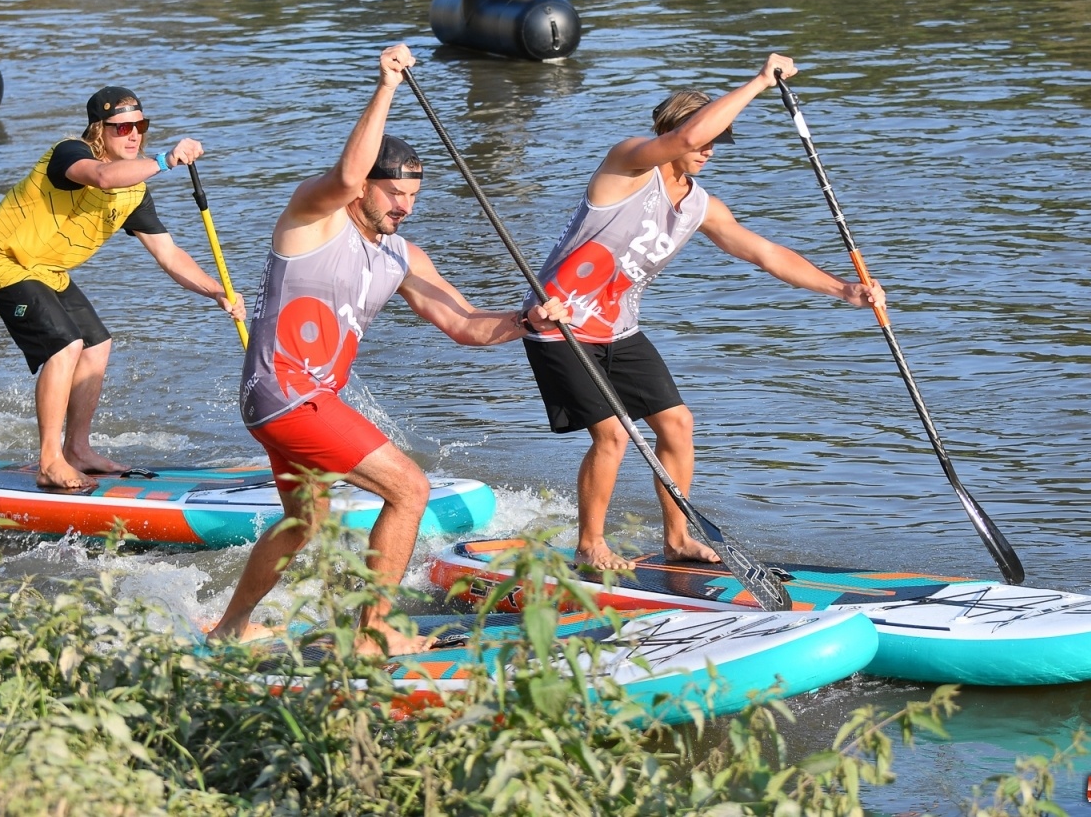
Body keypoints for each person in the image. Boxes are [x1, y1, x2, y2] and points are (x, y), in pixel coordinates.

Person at [208, 44, 569, 655]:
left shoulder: (405, 257)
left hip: (297, 402)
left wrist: (526, 320)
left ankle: (228, 629)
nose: (402, 206)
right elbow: (346, 175)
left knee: (305, 523)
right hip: (286, 393)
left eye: (413, 197)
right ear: (361, 190)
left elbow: (463, 325)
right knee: (410, 489)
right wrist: (386, 85)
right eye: (391, 194)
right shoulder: (312, 218)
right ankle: (372, 634)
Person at [522, 54, 887, 571]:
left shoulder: (701, 206)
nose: (711, 151)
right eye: (707, 139)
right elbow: (690, 138)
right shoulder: (627, 164)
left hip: (618, 326)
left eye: (720, 142)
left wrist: (844, 289)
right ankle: (590, 545)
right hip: (556, 324)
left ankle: (677, 539)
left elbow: (764, 253)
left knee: (677, 425)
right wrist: (761, 81)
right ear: (673, 133)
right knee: (615, 435)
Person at [0, 86, 245, 492]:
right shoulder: (69, 154)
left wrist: (216, 291)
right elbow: (101, 177)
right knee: (65, 345)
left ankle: (77, 449)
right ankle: (50, 461)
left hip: (49, 270)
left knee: (97, 344)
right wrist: (167, 161)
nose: (133, 135)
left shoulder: (134, 191)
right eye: (122, 128)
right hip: (2, 262)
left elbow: (169, 255)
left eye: (140, 126)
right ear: (99, 131)